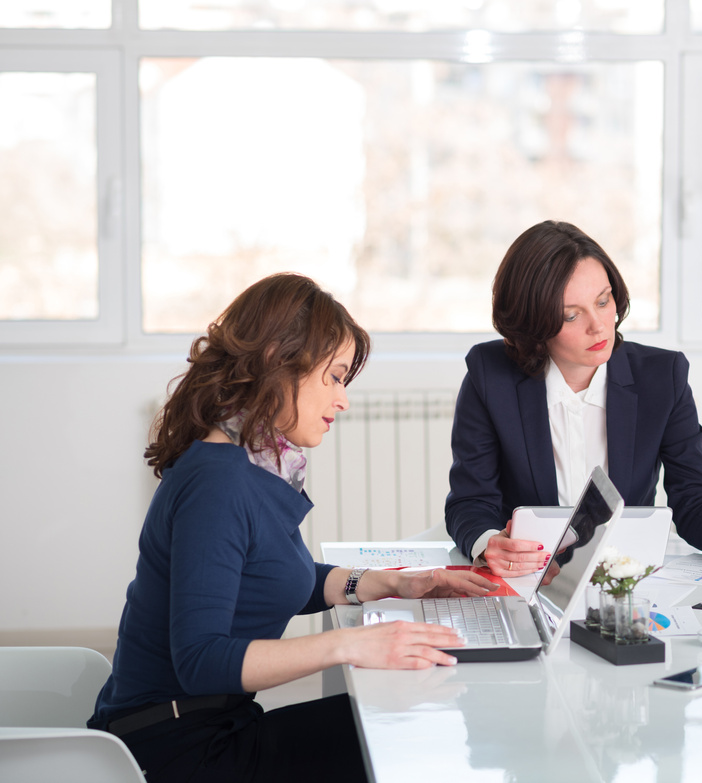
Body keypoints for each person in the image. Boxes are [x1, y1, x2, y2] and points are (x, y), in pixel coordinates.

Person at [88, 273, 495, 782]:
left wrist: (392, 583)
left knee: (402, 720)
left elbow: (277, 576)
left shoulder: (255, 462)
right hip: (176, 752)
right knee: (401, 737)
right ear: (280, 361)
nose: (342, 400)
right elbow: (200, 659)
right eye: (335, 377)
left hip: (212, 727)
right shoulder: (219, 482)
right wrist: (349, 646)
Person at [445, 220, 702, 586]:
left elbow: (694, 499)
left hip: (622, 586)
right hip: (527, 582)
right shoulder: (490, 375)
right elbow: (470, 501)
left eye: (603, 301)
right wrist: (489, 544)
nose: (599, 326)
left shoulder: (662, 376)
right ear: (532, 323)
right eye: (571, 314)